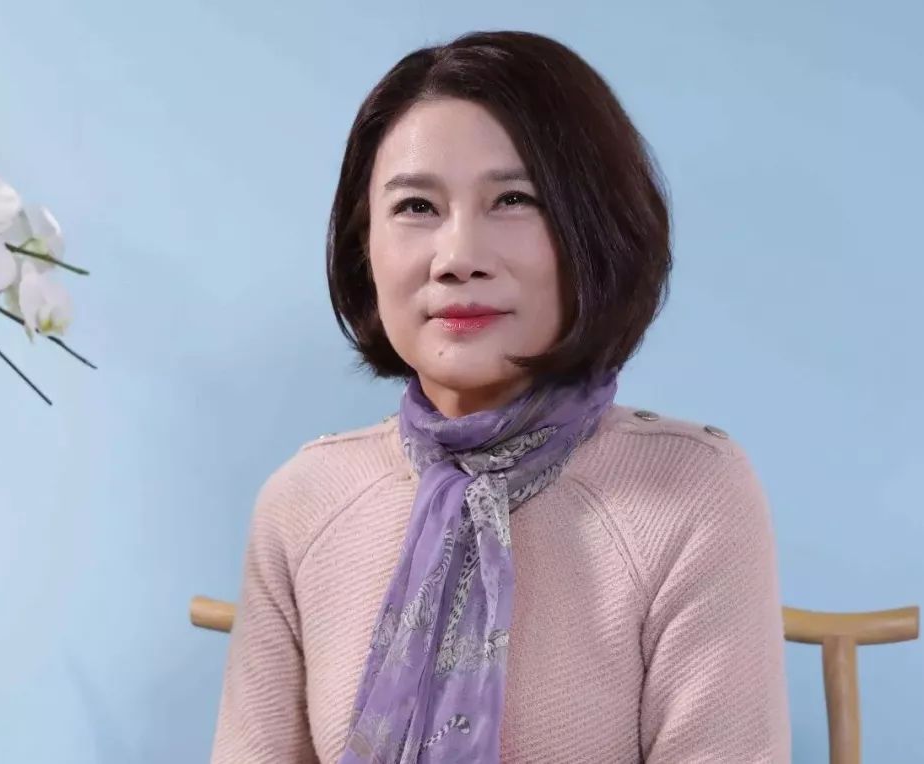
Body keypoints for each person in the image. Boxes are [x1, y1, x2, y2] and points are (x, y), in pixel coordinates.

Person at [210, 30, 790, 764]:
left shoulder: (691, 493)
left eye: (513, 200)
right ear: (365, 247)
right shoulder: (304, 501)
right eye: (416, 206)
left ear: (595, 231)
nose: (458, 259)